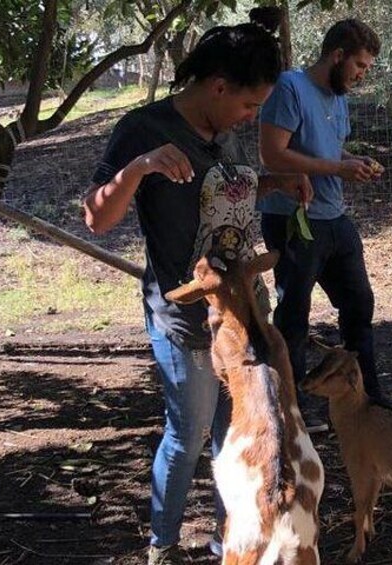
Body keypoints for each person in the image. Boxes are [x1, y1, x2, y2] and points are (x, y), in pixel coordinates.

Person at [83, 10, 312, 565]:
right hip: (185, 317)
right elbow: (96, 218)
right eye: (249, 104)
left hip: (244, 314)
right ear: (217, 86)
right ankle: (162, 546)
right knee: (187, 437)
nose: (251, 116)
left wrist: (277, 182)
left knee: (233, 437)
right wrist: (138, 169)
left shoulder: (226, 131)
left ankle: (226, 540)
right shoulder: (145, 129)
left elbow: (228, 194)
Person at [258, 18, 392, 432]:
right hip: (294, 219)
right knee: (293, 316)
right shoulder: (290, 88)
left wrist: (354, 163)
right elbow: (272, 156)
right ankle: (293, 413)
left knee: (359, 306)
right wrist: (338, 167)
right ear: (337, 55)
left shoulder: (338, 98)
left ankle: (370, 397)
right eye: (360, 66)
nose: (362, 75)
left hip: (334, 217)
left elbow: (331, 152)